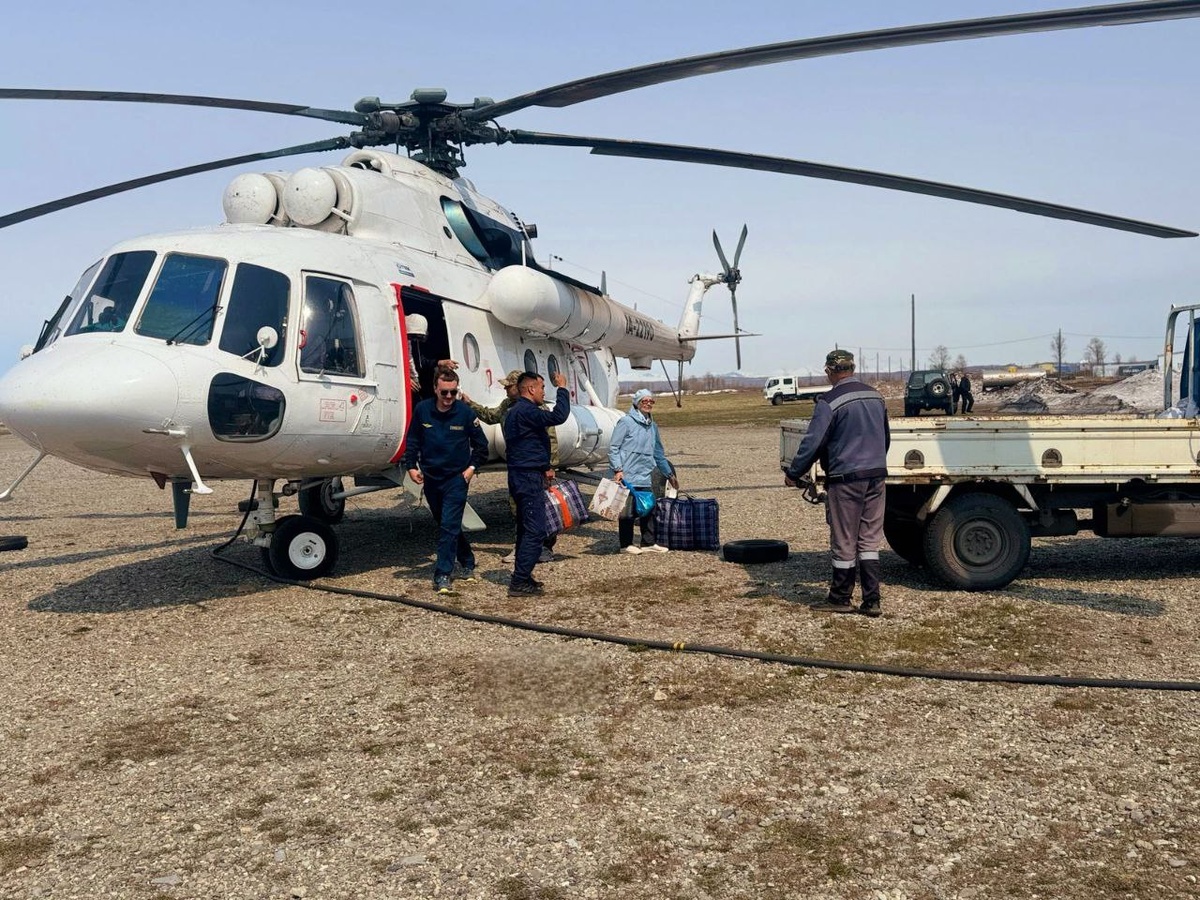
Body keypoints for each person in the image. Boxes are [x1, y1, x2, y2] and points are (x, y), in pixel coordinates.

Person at [785, 349, 890, 617]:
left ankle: (840, 597)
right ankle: (872, 600)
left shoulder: (829, 401)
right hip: (876, 475)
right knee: (869, 540)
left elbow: (814, 442)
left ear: (830, 371)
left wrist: (795, 472)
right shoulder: (876, 396)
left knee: (844, 539)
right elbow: (885, 437)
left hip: (846, 478)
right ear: (852, 368)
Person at [401, 367, 489, 595]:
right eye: (444, 393)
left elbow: (482, 447)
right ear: (435, 390)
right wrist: (411, 466)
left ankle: (442, 574)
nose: (449, 397)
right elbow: (413, 440)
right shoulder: (422, 410)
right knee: (445, 523)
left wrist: (471, 469)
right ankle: (467, 559)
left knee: (449, 526)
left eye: (453, 392)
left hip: (456, 479)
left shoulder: (466, 414)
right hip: (431, 478)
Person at [469, 369, 559, 565]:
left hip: (535, 467)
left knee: (541, 507)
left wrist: (550, 466)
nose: (505, 389)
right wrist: (469, 404)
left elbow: (550, 438)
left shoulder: (538, 409)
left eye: (508, 386)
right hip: (517, 465)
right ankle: (523, 548)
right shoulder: (507, 406)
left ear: (520, 387)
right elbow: (490, 416)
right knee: (517, 508)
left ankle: (544, 547)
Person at [502, 371, 570, 596]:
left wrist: (544, 466)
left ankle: (523, 574)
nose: (543, 391)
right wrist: (562, 388)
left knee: (524, 528)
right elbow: (558, 416)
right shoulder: (527, 411)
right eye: (541, 387)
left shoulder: (513, 412)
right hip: (527, 478)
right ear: (531, 389)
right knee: (535, 530)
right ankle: (519, 581)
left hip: (521, 475)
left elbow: (526, 445)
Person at [609, 389, 678, 554]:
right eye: (644, 400)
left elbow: (658, 453)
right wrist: (618, 469)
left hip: (644, 474)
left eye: (651, 401)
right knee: (628, 511)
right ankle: (626, 545)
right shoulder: (626, 422)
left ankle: (648, 543)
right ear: (636, 403)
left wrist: (669, 474)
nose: (648, 403)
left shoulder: (653, 427)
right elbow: (613, 448)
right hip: (627, 474)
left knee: (649, 508)